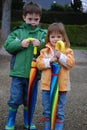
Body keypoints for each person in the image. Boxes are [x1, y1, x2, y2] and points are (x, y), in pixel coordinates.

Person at [3, 1, 47, 130]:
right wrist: (20, 44)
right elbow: (7, 46)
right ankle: (11, 119)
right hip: (18, 73)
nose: (33, 22)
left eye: (36, 19)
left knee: (30, 99)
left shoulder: (43, 34)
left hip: (34, 75)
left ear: (40, 19)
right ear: (24, 17)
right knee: (15, 97)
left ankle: (28, 120)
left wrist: (41, 45)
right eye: (30, 19)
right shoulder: (17, 32)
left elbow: (50, 47)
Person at [36, 22, 75, 130]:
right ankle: (48, 127)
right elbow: (39, 64)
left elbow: (71, 64)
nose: (55, 39)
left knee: (59, 110)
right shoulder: (44, 51)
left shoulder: (67, 51)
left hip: (62, 87)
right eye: (52, 36)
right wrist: (50, 60)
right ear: (48, 37)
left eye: (58, 36)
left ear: (63, 37)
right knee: (47, 109)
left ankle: (58, 127)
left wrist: (61, 56)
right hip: (47, 86)